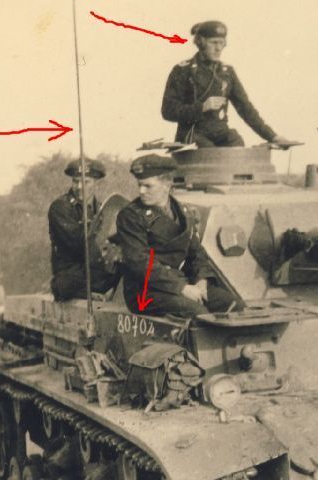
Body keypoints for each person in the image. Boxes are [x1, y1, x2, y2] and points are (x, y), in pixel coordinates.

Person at [116, 154, 245, 317]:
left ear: (167, 184)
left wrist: (201, 281)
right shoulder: (131, 216)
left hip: (181, 285)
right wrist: (182, 288)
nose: (141, 191)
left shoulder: (184, 212)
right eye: (140, 185)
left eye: (148, 186)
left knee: (235, 306)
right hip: (145, 292)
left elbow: (197, 254)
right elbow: (141, 263)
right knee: (198, 313)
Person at [161, 20, 291, 148]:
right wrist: (201, 108)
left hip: (220, 133)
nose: (218, 48)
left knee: (237, 146)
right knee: (211, 155)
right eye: (213, 42)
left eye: (221, 43)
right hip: (193, 133)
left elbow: (246, 108)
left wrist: (273, 136)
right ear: (200, 42)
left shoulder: (227, 72)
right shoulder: (183, 70)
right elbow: (168, 111)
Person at [48, 159, 118, 301]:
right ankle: (90, 294)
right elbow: (80, 243)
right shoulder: (61, 207)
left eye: (86, 182)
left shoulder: (102, 209)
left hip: (96, 272)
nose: (79, 187)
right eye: (75, 181)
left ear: (97, 184)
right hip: (72, 276)